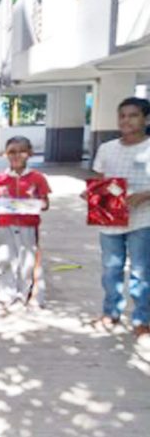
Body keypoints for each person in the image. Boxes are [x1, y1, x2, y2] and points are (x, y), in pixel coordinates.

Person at [90, 97, 150, 341]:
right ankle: (110, 313)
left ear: (146, 119)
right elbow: (100, 181)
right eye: (122, 115)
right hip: (110, 220)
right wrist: (92, 194)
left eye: (133, 115)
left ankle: (142, 320)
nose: (126, 120)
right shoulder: (107, 149)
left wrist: (144, 196)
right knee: (111, 269)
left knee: (141, 271)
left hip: (143, 220)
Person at [0, 136, 51, 310]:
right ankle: (6, 295)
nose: (16, 155)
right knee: (5, 259)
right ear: (5, 154)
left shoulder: (37, 178)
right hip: (5, 224)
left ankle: (26, 295)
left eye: (21, 151)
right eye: (11, 152)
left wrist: (33, 204)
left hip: (29, 225)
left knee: (27, 261)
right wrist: (0, 204)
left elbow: (45, 204)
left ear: (30, 153)